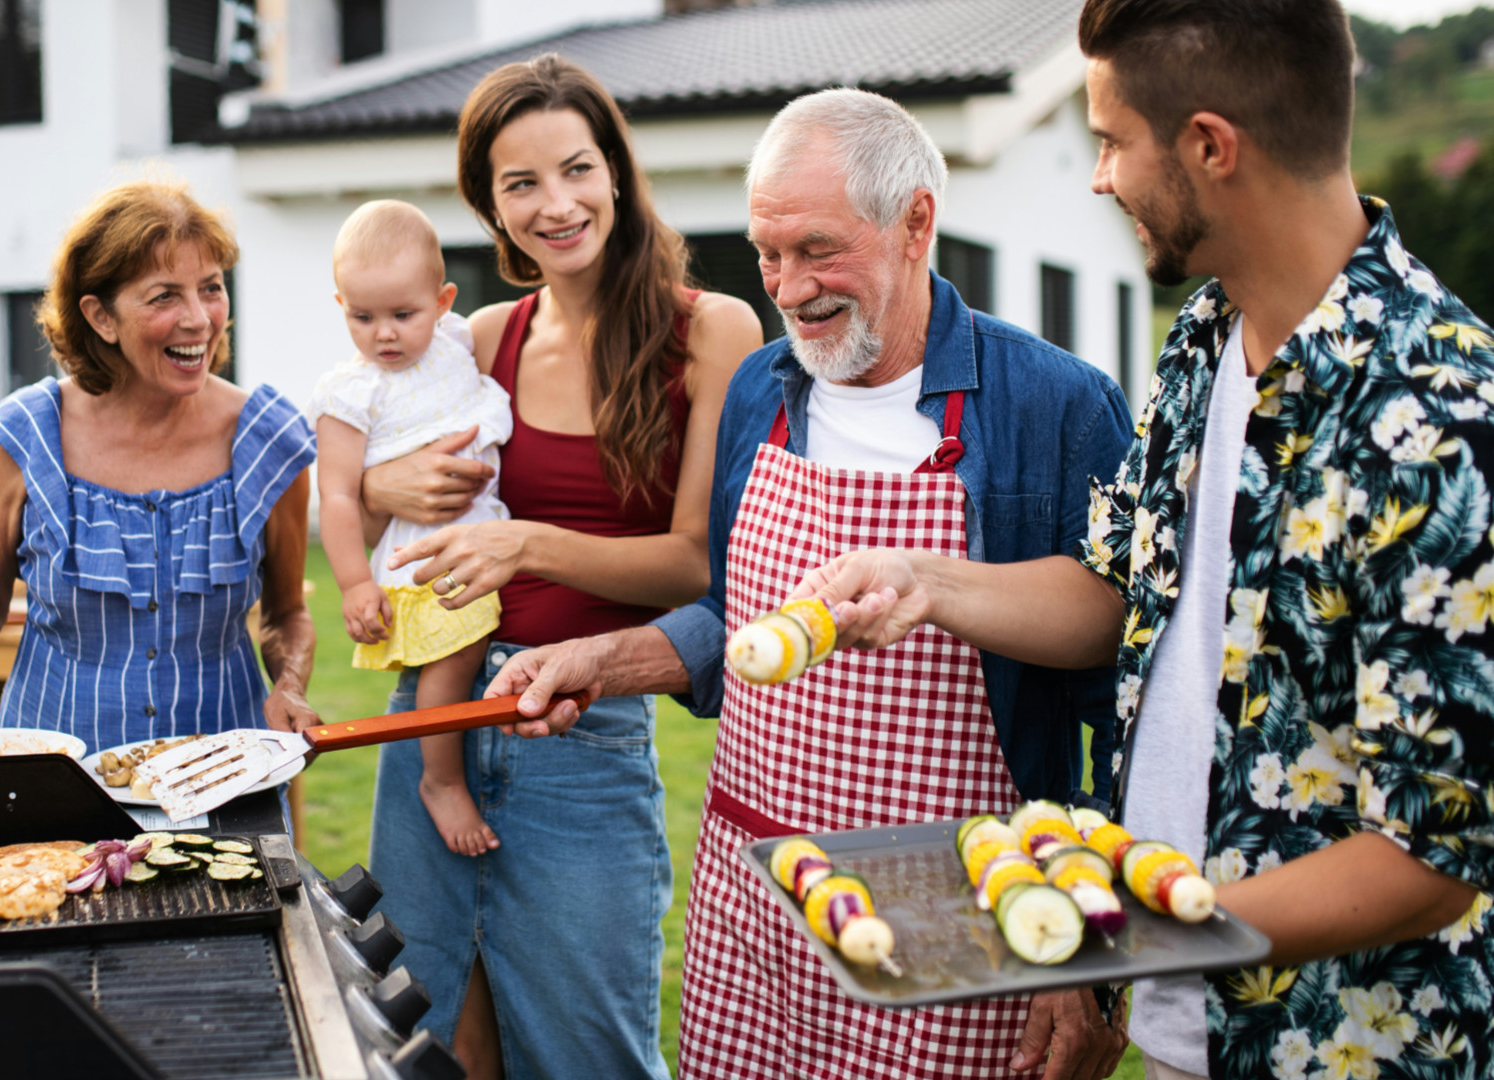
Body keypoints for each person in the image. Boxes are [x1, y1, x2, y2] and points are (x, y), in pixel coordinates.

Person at [769, 2, 1494, 1077]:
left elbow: (1432, 853)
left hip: (1348, 1042)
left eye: (1111, 141)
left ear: (1210, 147)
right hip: (1183, 1028)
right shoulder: (1203, 341)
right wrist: (922, 582)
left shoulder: (1443, 414)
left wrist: (1121, 928)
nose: (1098, 177)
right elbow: (1117, 597)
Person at [487, 87, 1135, 1080]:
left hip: (958, 914)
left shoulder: (1056, 406)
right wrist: (600, 660)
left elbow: (1121, 691)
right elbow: (731, 614)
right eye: (767, 254)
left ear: (916, 220)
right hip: (761, 899)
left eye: (817, 250)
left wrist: (1086, 952)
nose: (787, 289)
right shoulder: (761, 389)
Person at [356, 55, 764, 1080]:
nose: (556, 204)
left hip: (583, 736)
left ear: (617, 172)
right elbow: (368, 467)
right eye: (520, 184)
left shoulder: (713, 332)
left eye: (575, 169)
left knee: (592, 1055)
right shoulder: (481, 337)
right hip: (434, 723)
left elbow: (696, 566)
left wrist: (525, 543)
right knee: (428, 1040)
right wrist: (383, 490)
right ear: (489, 205)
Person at [0, 177, 320, 752]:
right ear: (101, 317)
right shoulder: (21, 436)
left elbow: (286, 613)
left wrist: (289, 684)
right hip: (55, 780)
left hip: (223, 774)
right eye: (165, 295)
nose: (199, 319)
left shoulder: (269, 439)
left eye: (211, 288)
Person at [309, 200, 513, 857]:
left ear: (444, 300)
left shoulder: (456, 340)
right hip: (423, 552)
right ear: (340, 303)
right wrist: (353, 584)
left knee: (469, 652)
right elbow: (337, 494)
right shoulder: (352, 392)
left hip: (485, 529)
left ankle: (447, 771)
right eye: (361, 317)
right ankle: (440, 779)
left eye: (403, 314)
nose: (384, 335)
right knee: (451, 656)